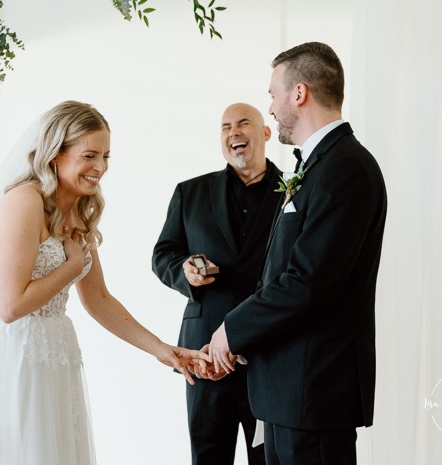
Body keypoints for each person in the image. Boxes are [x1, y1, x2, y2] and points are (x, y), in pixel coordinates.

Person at [0, 100, 205, 465]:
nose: (100, 168)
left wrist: (162, 349)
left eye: (106, 157)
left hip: (55, 357)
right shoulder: (23, 201)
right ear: (55, 155)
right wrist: (71, 266)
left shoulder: (78, 210)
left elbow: (98, 300)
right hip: (13, 358)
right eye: (90, 155)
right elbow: (9, 307)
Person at [204, 43, 388, 465]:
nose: (270, 106)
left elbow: (309, 282)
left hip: (315, 392)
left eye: (273, 93)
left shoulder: (346, 168)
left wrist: (232, 329)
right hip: (289, 392)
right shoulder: (318, 166)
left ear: (299, 93)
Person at [152, 103, 282, 465]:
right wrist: (185, 272)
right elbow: (162, 255)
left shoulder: (294, 192)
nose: (233, 133)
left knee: (270, 457)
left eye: (243, 124)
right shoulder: (189, 192)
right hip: (204, 355)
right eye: (225, 127)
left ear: (266, 133)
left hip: (270, 354)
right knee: (208, 458)